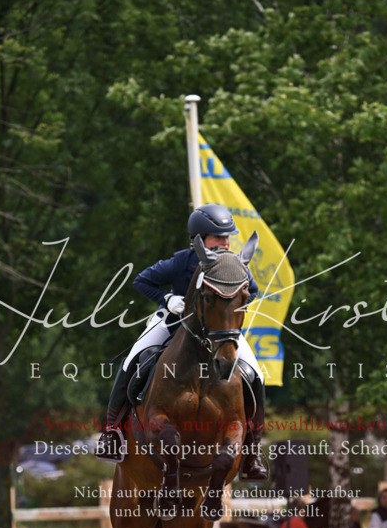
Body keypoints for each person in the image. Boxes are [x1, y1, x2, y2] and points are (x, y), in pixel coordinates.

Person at [97, 204, 267, 479]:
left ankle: (252, 451)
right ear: (199, 239)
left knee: (254, 374)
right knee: (133, 359)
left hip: (219, 331)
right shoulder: (180, 261)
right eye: (217, 238)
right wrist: (166, 299)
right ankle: (111, 433)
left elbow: (253, 291)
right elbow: (142, 281)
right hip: (176, 323)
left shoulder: (234, 266)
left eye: (227, 238)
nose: (225, 243)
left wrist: (228, 309)